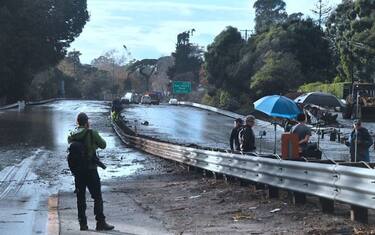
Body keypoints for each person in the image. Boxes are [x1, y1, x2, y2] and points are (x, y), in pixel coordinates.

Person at [68, 112, 115, 231]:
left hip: (78, 171)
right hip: (90, 169)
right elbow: (103, 145)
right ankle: (100, 223)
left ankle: (82, 224)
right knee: (97, 196)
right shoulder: (91, 133)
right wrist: (93, 144)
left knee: (80, 197)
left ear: (77, 122)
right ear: (86, 122)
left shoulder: (72, 133)